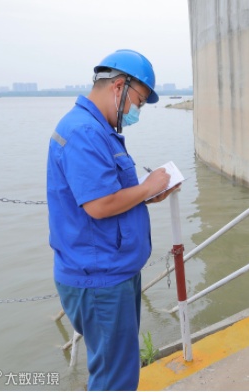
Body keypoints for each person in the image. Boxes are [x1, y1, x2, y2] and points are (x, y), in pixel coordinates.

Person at [47, 49, 178, 390]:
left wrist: (147, 194)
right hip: (99, 279)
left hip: (111, 271)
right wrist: (147, 186)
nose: (138, 111)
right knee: (114, 379)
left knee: (118, 368)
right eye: (139, 101)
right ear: (119, 87)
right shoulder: (84, 132)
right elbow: (99, 205)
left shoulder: (97, 129)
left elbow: (110, 194)